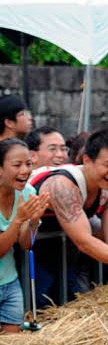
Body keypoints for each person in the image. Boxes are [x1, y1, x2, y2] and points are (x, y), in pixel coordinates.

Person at [29, 129, 108, 306]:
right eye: (107, 165)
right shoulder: (63, 186)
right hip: (27, 247)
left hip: (61, 250)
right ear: (87, 160)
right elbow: (84, 241)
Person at [0, 139, 48, 332]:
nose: (25, 171)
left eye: (28, 164)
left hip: (10, 284)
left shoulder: (27, 192)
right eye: (17, 165)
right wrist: (19, 219)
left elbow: (25, 245)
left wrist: (34, 221)